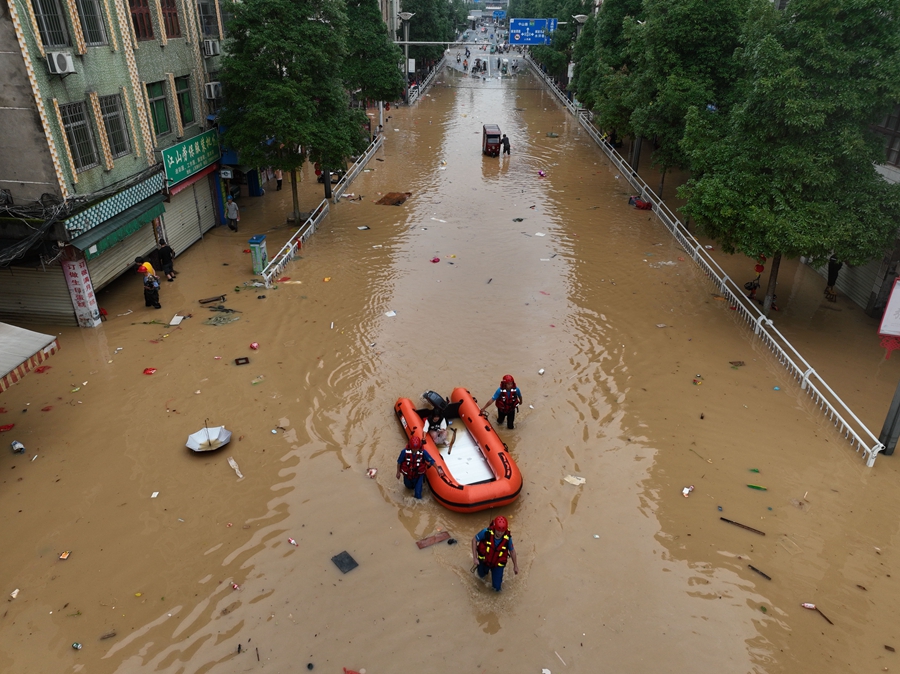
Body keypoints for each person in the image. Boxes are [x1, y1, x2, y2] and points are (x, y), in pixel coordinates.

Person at [471, 516, 519, 592]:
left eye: (502, 531)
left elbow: (512, 551)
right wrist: (475, 557)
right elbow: (474, 540)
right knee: (481, 577)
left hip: (497, 564)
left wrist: (515, 566)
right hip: (484, 560)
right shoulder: (486, 532)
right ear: (494, 528)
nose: (500, 533)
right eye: (498, 530)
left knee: (497, 588)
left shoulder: (508, 538)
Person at [396, 435, 436, 500]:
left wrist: (438, 470)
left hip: (418, 475)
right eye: (413, 448)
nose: (415, 450)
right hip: (408, 474)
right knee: (408, 487)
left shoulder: (423, 452)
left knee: (418, 494)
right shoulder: (404, 452)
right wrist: (398, 472)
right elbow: (399, 462)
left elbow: (431, 461)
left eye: (416, 448)